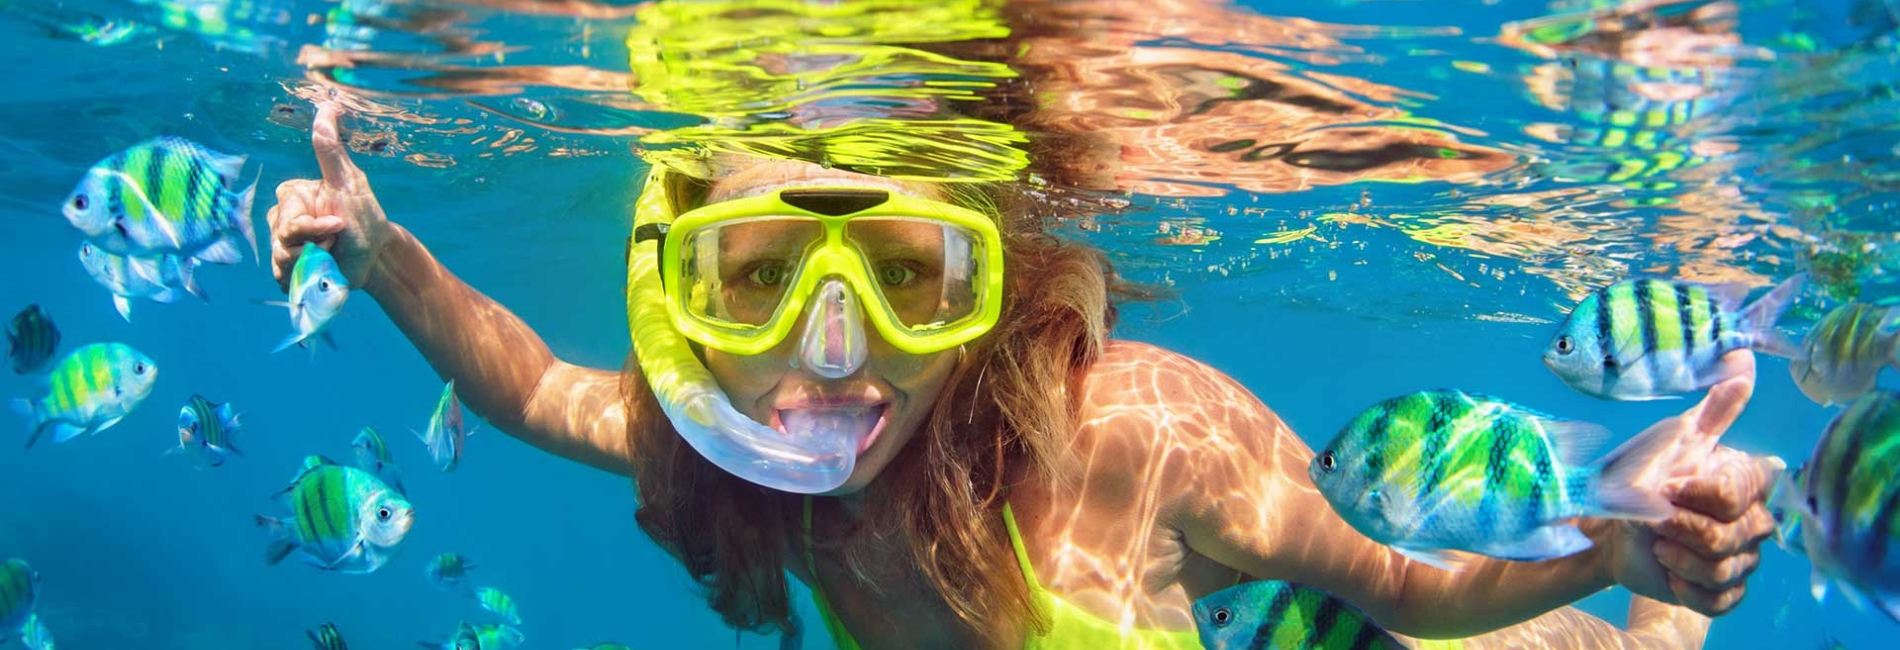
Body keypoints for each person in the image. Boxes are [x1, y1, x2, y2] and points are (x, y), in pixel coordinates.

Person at [268, 7, 1781, 649]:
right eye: (759, 277)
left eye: (912, 277)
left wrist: (1612, 550)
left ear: (992, 295)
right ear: (679, 290)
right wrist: (378, 244)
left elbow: (1404, 575)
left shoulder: (1130, 436)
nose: (828, 353)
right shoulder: (726, 458)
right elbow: (529, 383)